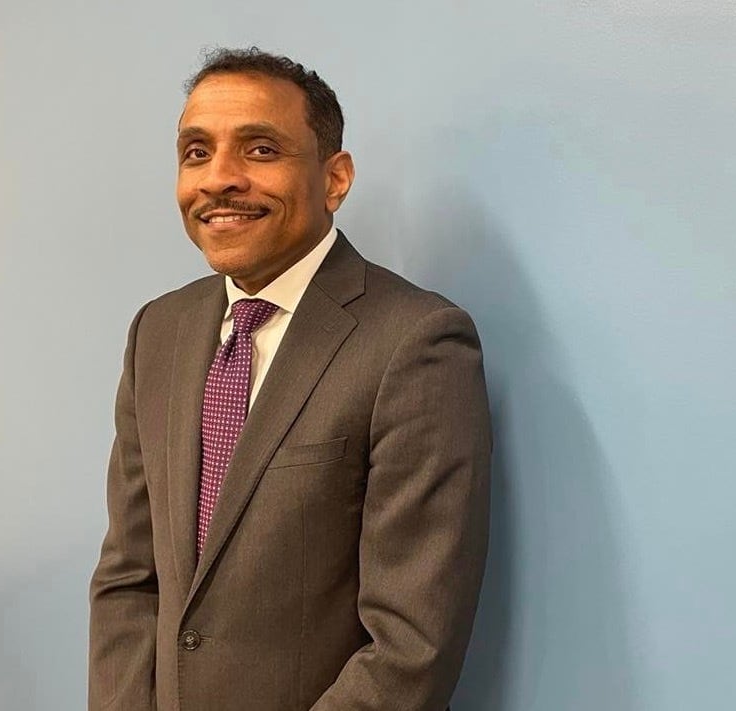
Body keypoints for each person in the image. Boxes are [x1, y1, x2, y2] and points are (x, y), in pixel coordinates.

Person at [88, 47, 491, 711]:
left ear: (335, 178)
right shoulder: (157, 332)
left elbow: (411, 643)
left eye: (259, 150)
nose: (218, 178)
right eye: (196, 152)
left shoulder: (415, 342)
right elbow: (130, 578)